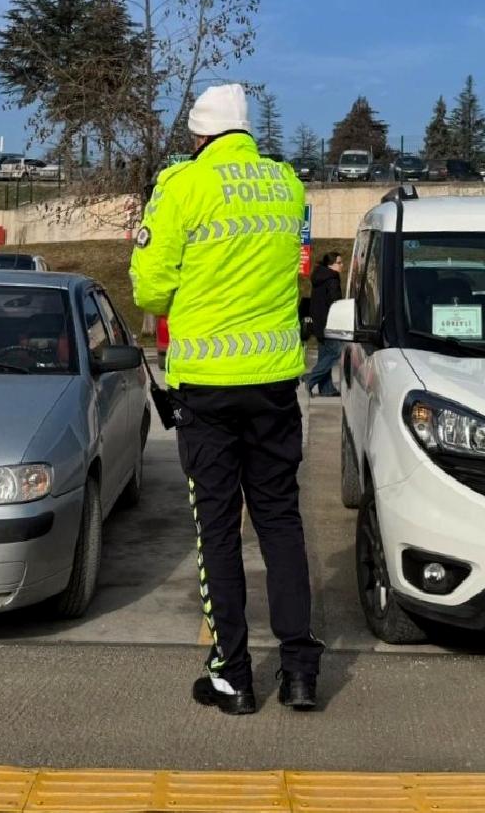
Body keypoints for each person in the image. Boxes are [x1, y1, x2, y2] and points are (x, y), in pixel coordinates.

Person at [130, 82, 323, 716]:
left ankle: (233, 676)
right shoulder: (286, 185)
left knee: (217, 532)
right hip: (274, 384)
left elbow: (150, 291)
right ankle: (299, 673)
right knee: (281, 523)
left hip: (208, 393)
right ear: (247, 130)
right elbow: (298, 270)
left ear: (198, 134)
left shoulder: (181, 185)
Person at [306, 252, 345, 397]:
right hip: (330, 323)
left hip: (318, 322)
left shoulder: (319, 277)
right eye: (339, 262)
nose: (342, 265)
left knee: (324, 355)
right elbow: (335, 303)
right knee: (336, 352)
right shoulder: (332, 279)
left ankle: (327, 388)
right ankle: (310, 379)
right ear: (331, 265)